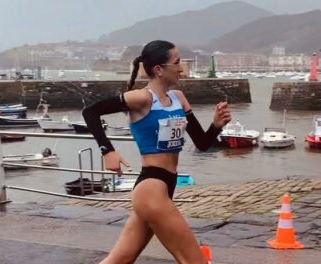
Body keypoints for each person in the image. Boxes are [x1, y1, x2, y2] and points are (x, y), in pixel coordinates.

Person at [82, 40, 231, 264]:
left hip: (165, 186)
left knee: (120, 259)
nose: (181, 68)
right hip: (151, 187)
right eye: (177, 63)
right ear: (159, 70)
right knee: (195, 261)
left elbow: (201, 143)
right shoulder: (142, 98)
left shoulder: (178, 99)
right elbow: (90, 112)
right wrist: (107, 151)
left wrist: (216, 125)